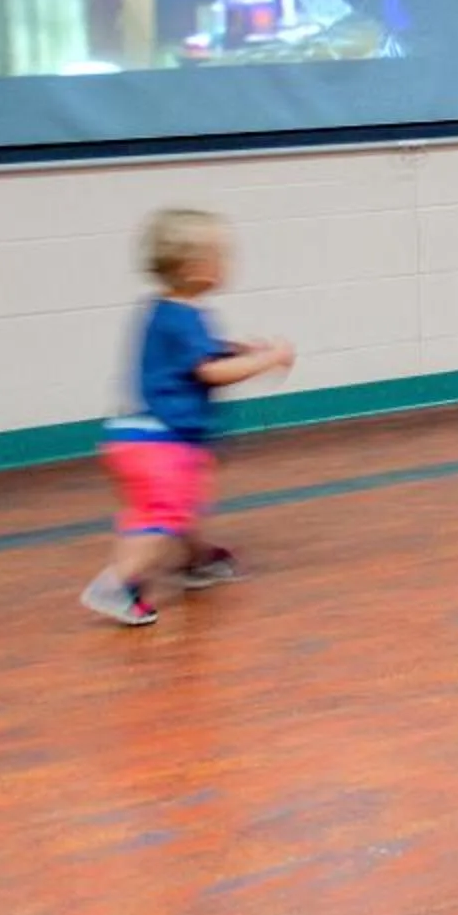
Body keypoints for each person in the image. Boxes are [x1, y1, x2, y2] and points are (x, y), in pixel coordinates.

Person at [80, 209, 295, 627]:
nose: (227, 264)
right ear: (197, 268)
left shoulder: (163, 310)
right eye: (220, 256)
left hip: (141, 436)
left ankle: (195, 561)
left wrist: (236, 349)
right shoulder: (185, 318)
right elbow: (209, 371)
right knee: (159, 517)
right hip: (159, 443)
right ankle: (115, 584)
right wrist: (268, 360)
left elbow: (196, 353)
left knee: (180, 504)